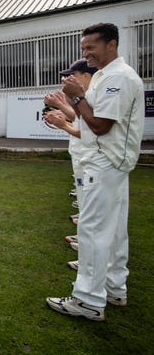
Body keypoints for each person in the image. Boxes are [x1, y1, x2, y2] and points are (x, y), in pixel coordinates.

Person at [47, 23, 144, 321]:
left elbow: (101, 125)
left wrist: (76, 97)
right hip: (111, 163)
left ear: (111, 45)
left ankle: (88, 300)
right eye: (83, 48)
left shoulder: (118, 76)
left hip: (105, 162)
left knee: (91, 232)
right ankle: (115, 288)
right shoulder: (106, 75)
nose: (86, 53)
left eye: (91, 47)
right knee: (113, 231)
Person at [44, 59, 98, 269]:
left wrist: (62, 119)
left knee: (91, 209)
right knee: (85, 203)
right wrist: (62, 117)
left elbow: (86, 129)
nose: (68, 80)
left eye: (73, 75)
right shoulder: (86, 96)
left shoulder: (91, 95)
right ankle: (85, 245)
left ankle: (89, 254)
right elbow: (77, 120)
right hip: (83, 156)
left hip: (92, 159)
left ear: (86, 75)